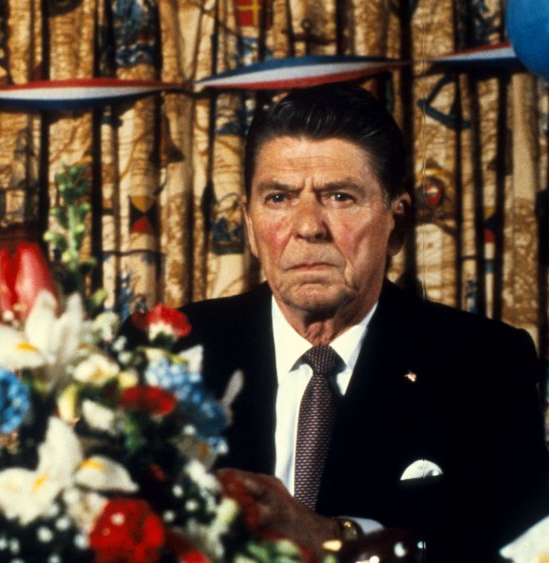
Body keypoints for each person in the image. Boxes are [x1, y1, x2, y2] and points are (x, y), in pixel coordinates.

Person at [176, 84, 549, 561]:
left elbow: (513, 546)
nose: (308, 226)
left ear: (398, 220)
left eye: (339, 196)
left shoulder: (485, 364)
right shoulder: (176, 351)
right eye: (278, 198)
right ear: (249, 225)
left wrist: (340, 536)